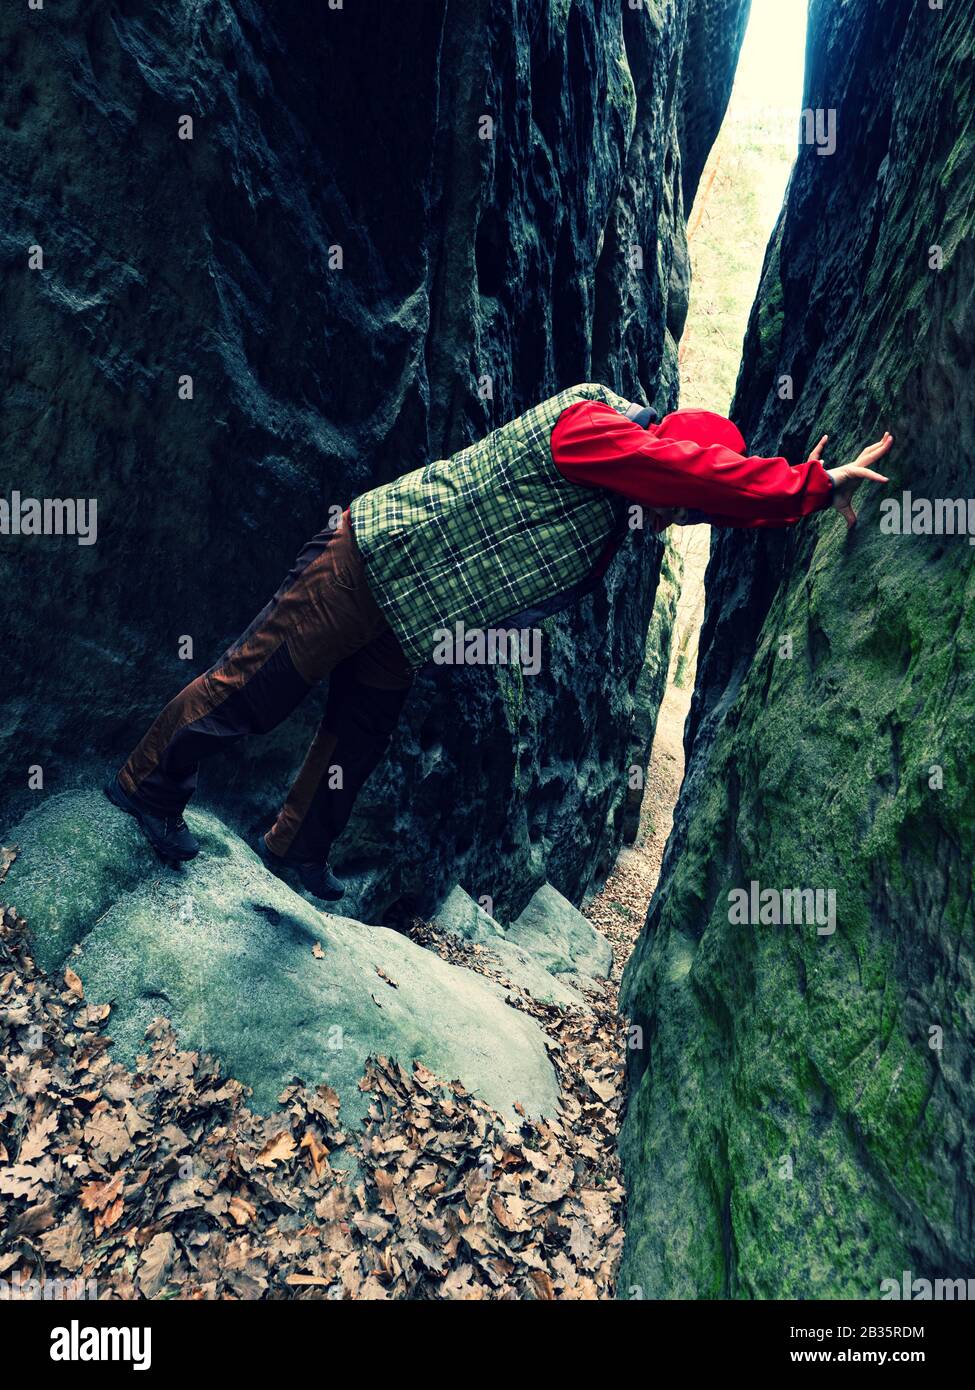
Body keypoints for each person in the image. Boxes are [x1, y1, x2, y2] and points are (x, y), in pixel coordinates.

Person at [105, 382, 892, 898]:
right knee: (257, 689)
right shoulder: (596, 427)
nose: (669, 523)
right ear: (667, 460)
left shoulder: (624, 491)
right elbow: (684, 475)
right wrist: (800, 487)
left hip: (410, 618)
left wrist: (779, 497)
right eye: (674, 508)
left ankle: (296, 852)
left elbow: (696, 487)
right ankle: (146, 787)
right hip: (373, 558)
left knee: (360, 740)